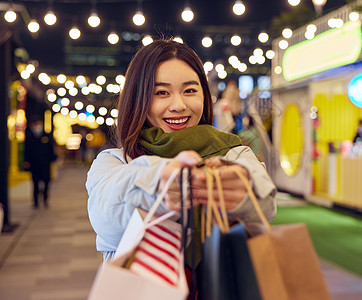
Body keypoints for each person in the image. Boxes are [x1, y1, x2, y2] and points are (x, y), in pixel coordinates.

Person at [85, 39, 277, 263]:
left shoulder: (233, 152)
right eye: (161, 93)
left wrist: (244, 189)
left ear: (204, 95)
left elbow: (266, 206)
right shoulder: (115, 162)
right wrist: (158, 182)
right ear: (138, 99)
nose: (178, 105)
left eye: (190, 90)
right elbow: (105, 216)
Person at [24, 115, 57, 209]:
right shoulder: (30, 136)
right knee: (35, 183)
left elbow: (51, 149)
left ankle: (45, 199)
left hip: (45, 164)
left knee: (46, 181)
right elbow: (26, 150)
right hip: (34, 164)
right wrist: (26, 161)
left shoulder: (46, 135)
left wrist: (52, 159)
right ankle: (35, 202)